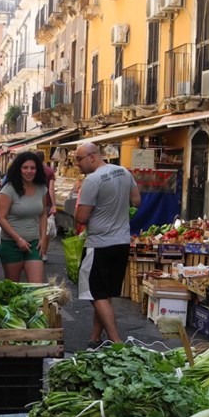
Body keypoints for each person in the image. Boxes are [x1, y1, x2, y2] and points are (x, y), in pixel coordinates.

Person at [73, 142, 140, 347]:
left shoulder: (92, 181)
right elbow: (136, 201)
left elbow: (81, 217)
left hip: (99, 244)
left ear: (92, 157)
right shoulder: (124, 172)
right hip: (121, 242)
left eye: (79, 159)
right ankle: (95, 338)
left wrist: (76, 208)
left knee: (95, 293)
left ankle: (116, 340)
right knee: (104, 293)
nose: (77, 164)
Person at [0, 151, 48, 283]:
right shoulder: (9, 189)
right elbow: (1, 218)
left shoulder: (41, 188)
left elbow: (43, 214)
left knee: (37, 287)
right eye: (25, 168)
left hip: (34, 243)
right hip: (11, 244)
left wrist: (43, 238)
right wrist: (18, 239)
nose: (29, 171)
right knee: (14, 289)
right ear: (19, 169)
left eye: (33, 168)